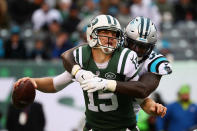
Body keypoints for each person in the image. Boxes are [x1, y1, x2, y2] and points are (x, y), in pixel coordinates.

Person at [14, 15, 166, 131]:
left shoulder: (125, 59)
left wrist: (151, 106)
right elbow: (56, 83)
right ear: (92, 35)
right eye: (105, 33)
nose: (110, 38)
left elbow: (140, 95)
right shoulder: (83, 57)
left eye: (113, 34)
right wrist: (34, 82)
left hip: (123, 126)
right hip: (93, 126)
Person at [61, 16, 172, 113]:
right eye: (132, 44)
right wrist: (78, 72)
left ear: (151, 47)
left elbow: (143, 90)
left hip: (129, 113)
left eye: (142, 47)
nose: (135, 50)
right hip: (98, 109)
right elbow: (68, 55)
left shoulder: (155, 62)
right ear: (124, 39)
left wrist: (106, 83)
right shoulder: (112, 46)